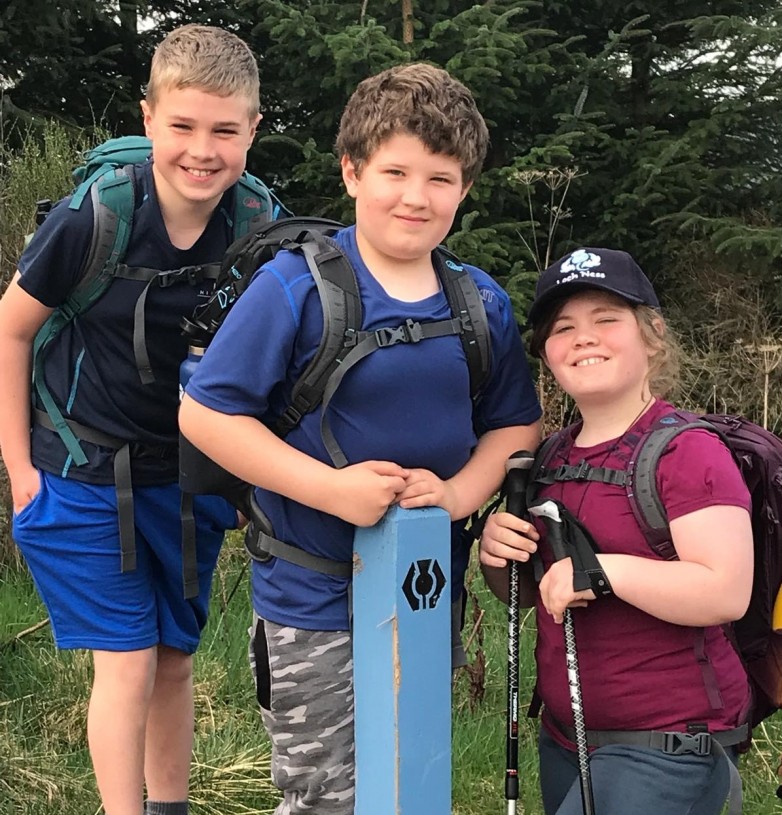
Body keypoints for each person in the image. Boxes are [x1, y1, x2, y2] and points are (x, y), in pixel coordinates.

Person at [179, 62, 542, 813]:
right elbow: (206, 415)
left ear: (465, 189)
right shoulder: (295, 288)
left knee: (411, 780)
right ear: (351, 171)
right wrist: (333, 490)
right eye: (396, 171)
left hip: (422, 592)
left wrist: (455, 496)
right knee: (325, 795)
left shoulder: (481, 303)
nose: (417, 196)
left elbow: (515, 422)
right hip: (311, 593)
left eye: (441, 178)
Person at [0, 24, 273, 815]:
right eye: (183, 125)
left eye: (226, 129)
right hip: (82, 471)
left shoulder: (259, 226)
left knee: (175, 659)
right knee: (126, 660)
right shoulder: (94, 218)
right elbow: (12, 328)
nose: (203, 149)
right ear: (149, 118)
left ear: (253, 129)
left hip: (189, 479)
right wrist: (21, 473)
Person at [480, 247, 754, 815]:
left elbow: (725, 590)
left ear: (652, 336)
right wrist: (495, 551)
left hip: (669, 745)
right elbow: (531, 593)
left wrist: (605, 571)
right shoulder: (548, 457)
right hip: (567, 735)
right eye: (563, 327)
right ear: (546, 354)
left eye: (607, 319)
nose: (584, 338)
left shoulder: (686, 452)